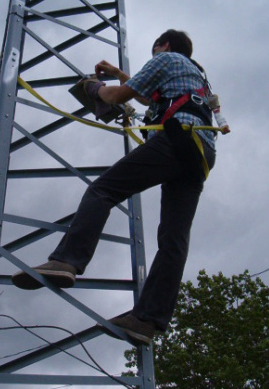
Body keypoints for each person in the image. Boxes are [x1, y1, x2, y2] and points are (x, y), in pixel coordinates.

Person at [12, 29, 218, 345]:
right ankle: (146, 320)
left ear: (162, 45)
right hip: (200, 156)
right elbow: (151, 97)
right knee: (173, 240)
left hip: (176, 140)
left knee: (103, 190)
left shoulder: (166, 58)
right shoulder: (194, 76)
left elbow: (115, 97)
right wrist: (120, 74)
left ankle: (66, 261)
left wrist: (95, 88)